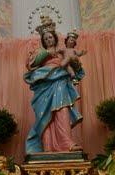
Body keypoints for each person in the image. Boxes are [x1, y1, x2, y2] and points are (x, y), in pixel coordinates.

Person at [24, 16, 85, 154]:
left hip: (60, 82)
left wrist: (74, 61)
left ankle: (67, 143)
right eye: (45, 39)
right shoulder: (40, 52)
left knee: (62, 111)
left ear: (55, 38)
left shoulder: (62, 51)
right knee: (45, 115)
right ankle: (48, 146)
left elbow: (75, 68)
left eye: (50, 37)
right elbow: (31, 64)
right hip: (45, 86)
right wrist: (47, 52)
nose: (48, 40)